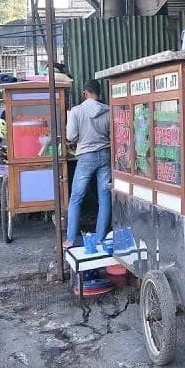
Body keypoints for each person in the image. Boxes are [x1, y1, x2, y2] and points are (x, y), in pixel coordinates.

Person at [64, 80, 111, 248]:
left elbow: (70, 136)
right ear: (99, 93)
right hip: (106, 155)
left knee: (76, 197)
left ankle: (70, 239)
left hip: (86, 157)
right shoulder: (109, 110)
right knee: (104, 197)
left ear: (85, 93)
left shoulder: (77, 111)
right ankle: (100, 238)